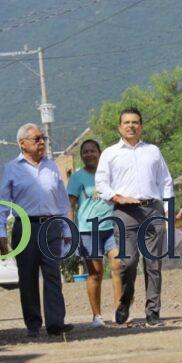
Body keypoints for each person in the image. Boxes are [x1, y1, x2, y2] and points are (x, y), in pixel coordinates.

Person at [0, 124, 74, 337]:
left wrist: (67, 229)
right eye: (37, 139)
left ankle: (56, 323)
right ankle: (33, 325)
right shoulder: (12, 168)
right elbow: (2, 204)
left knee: (52, 273)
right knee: (27, 277)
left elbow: (61, 201)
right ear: (22, 144)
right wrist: (0, 234)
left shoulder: (52, 166)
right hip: (25, 227)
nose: (42, 142)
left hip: (51, 227)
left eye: (43, 138)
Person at [96, 107, 174, 327]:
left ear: (141, 126)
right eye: (126, 123)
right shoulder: (110, 153)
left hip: (153, 210)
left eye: (135, 122)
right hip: (125, 212)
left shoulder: (153, 151)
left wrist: (167, 208)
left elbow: (166, 181)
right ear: (120, 127)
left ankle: (153, 312)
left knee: (153, 264)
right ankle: (125, 301)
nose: (131, 126)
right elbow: (101, 185)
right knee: (128, 263)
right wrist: (118, 197)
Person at [67, 139, 123, 328]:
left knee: (118, 266)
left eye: (92, 151)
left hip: (112, 227)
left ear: (100, 153)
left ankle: (119, 312)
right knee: (95, 273)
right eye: (85, 152)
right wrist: (70, 229)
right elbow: (71, 205)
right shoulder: (77, 177)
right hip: (87, 230)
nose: (89, 154)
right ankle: (97, 316)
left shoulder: (109, 174)